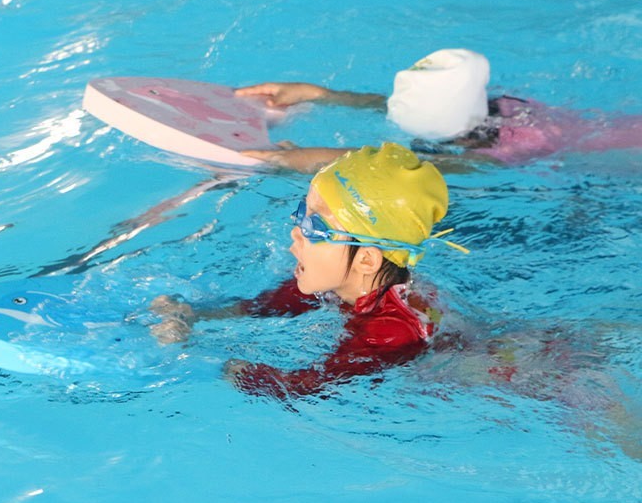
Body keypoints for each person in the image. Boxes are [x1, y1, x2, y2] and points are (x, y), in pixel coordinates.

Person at [150, 143, 468, 399]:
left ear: (367, 260)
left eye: (315, 227)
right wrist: (192, 314)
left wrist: (194, 357)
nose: (295, 231)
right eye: (302, 212)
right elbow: (266, 306)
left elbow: (300, 387)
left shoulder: (390, 332)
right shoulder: (341, 283)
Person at [234, 49, 642, 173]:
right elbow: (412, 105)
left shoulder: (489, 158)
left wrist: (292, 159)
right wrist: (316, 94)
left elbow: (395, 167)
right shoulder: (494, 108)